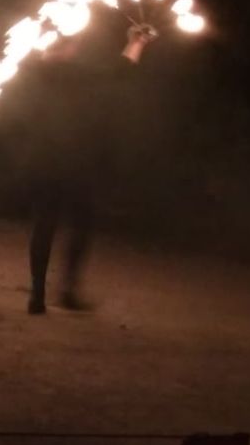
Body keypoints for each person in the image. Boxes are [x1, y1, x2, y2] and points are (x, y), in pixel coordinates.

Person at [23, 23, 154, 314]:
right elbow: (120, 71)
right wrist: (136, 43)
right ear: (66, 47)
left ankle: (38, 294)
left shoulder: (31, 71)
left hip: (45, 160)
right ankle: (65, 290)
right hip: (70, 163)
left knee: (45, 225)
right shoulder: (72, 73)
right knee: (80, 222)